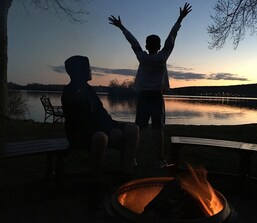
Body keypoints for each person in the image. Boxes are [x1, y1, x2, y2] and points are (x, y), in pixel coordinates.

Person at [108, 3, 192, 168]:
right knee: (158, 129)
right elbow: (171, 38)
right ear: (159, 47)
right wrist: (180, 18)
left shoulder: (143, 57)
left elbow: (133, 42)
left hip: (145, 96)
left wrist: (121, 27)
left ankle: (132, 158)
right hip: (156, 97)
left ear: (147, 46)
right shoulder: (163, 57)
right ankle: (158, 159)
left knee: (138, 128)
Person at [61, 55, 139, 209]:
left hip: (100, 128)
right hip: (80, 134)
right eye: (88, 68)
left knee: (132, 129)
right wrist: (107, 131)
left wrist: (113, 128)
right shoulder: (70, 93)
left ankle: (126, 174)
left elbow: (101, 114)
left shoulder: (88, 90)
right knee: (100, 137)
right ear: (79, 71)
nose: (91, 71)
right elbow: (82, 123)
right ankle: (96, 183)